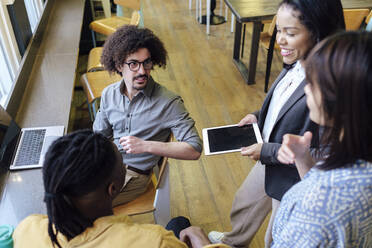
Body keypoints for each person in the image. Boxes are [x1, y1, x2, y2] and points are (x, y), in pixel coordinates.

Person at [208, 0, 345, 247]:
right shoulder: (295, 63)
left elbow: (316, 151)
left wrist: (267, 150)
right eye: (279, 29)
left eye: (290, 33)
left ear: (317, 33)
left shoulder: (327, 88)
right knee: (244, 201)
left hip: (292, 174)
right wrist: (257, 116)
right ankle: (233, 241)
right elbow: (280, 104)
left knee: (275, 234)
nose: (278, 39)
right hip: (271, 154)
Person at [273, 31, 372, 247]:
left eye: (314, 83)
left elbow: (326, 204)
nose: (306, 89)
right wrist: (303, 158)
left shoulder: (316, 212)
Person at [12, 130, 188, 248]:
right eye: (122, 165)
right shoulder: (156, 242)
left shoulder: (26, 229)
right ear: (113, 188)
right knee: (180, 225)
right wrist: (204, 242)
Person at [93, 25, 202, 206]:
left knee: (81, 207)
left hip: (133, 175)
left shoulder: (168, 102)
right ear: (119, 65)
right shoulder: (108, 94)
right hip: (106, 165)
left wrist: (145, 145)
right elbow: (99, 136)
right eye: (134, 64)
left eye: (147, 63)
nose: (142, 71)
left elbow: (194, 150)